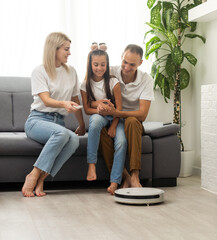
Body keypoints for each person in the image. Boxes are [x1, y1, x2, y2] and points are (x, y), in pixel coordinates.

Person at [22, 32, 86, 197]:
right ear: (54, 49)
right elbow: (46, 100)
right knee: (62, 133)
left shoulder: (71, 71)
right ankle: (34, 174)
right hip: (37, 121)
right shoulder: (39, 71)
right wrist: (63, 104)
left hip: (59, 123)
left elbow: (74, 98)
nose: (69, 53)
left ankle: (42, 179)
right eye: (66, 49)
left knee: (73, 141)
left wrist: (82, 123)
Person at [98, 44, 154, 188]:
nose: (127, 67)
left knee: (131, 121)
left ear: (140, 63)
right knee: (102, 131)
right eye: (125, 62)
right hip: (112, 120)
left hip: (133, 122)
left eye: (132, 65)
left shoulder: (146, 80)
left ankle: (135, 176)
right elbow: (89, 78)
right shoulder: (111, 71)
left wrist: (118, 113)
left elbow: (142, 115)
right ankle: (125, 176)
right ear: (122, 56)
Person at [80, 45, 127, 195]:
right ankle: (91, 164)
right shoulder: (85, 84)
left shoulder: (114, 82)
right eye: (96, 65)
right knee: (94, 123)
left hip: (115, 117)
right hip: (99, 116)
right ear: (90, 65)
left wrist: (113, 126)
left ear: (107, 65)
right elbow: (87, 109)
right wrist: (99, 109)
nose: (99, 68)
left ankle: (115, 182)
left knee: (121, 142)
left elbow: (119, 109)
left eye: (103, 64)